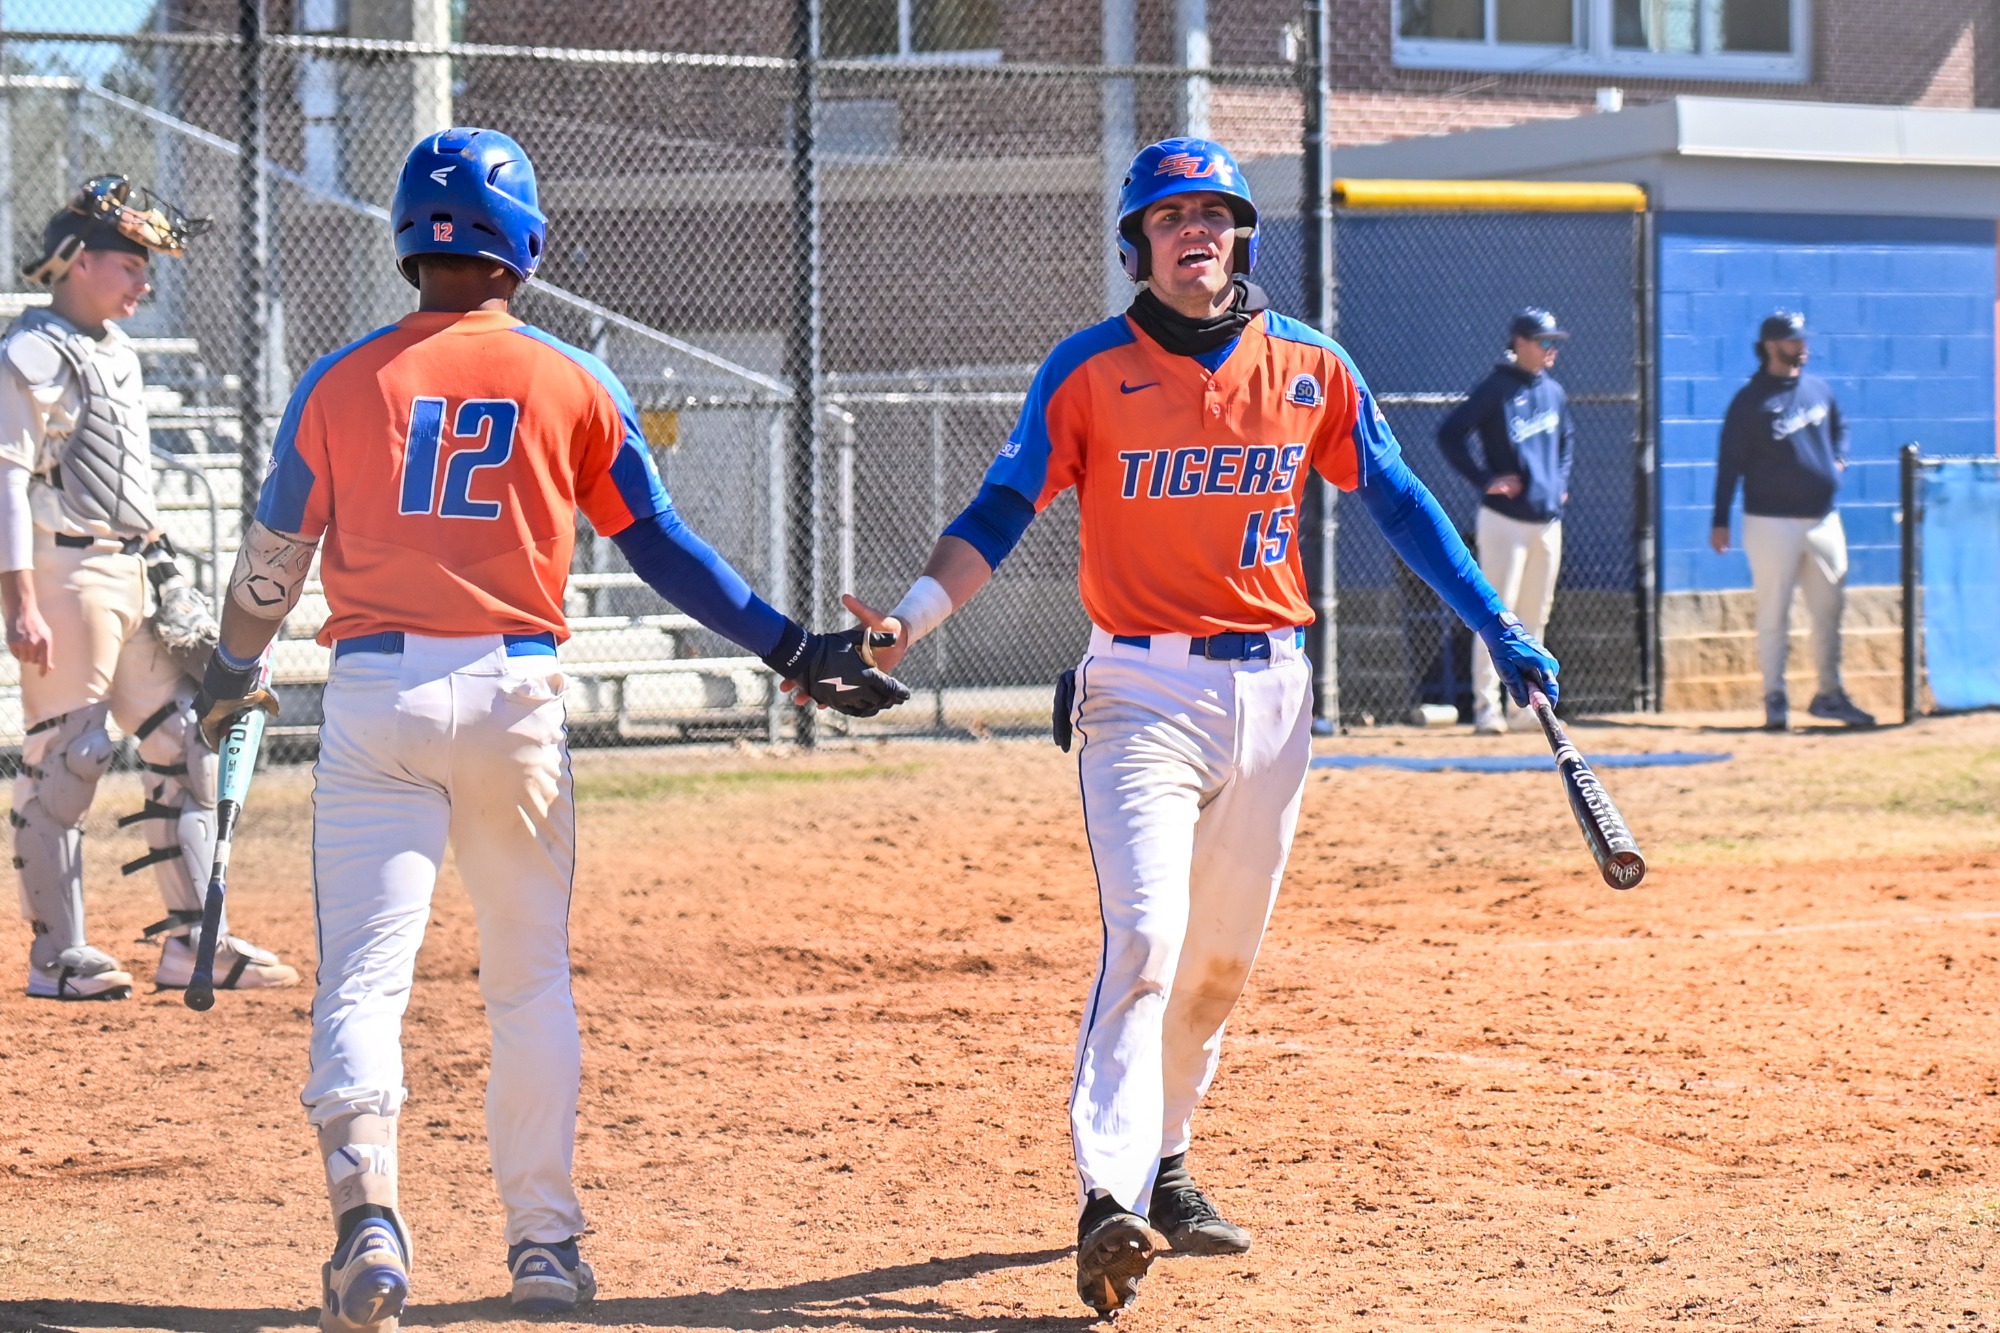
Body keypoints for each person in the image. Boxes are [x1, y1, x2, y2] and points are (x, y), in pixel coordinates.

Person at [192, 128, 908, 1331]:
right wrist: (791, 647)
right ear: (521, 244)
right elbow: (661, 548)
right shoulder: (573, 377)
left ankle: (368, 1224)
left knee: (365, 980)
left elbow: (271, 568)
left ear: (409, 240)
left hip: (377, 697)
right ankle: (542, 1245)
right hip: (516, 696)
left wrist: (228, 670)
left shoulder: (337, 379)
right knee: (528, 986)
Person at [835, 137, 1558, 1317]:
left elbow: (1396, 496)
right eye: (1169, 218)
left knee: (1217, 966)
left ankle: (1166, 1167)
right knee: (1146, 942)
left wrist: (1493, 622)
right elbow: (1003, 504)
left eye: (1214, 215)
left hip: (1274, 695)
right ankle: (1104, 1195)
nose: (1195, 233)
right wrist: (912, 617)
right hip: (1140, 695)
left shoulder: (1309, 366)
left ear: (1240, 236)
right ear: (1135, 244)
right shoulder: (1085, 371)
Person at [1, 176, 298, 1000]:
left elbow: (125, 484)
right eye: (130, 266)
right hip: (67, 573)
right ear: (79, 261)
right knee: (71, 755)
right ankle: (57, 956)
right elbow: (7, 479)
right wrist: (18, 598)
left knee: (185, 744)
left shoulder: (116, 351)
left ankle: (194, 943)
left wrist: (163, 567)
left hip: (133, 569)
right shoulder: (31, 351)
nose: (144, 282)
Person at [1710, 310, 1875, 731]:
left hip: (1821, 517)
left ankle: (1829, 694)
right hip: (1769, 521)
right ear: (1771, 345)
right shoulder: (1751, 401)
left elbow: (1841, 426)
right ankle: (1775, 696)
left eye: (1803, 340)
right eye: (1793, 340)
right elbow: (1729, 464)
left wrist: (1838, 458)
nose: (1802, 347)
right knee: (1774, 611)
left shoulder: (1817, 389)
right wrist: (1719, 519)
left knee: (1829, 608)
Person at [1437, 307, 1576, 734]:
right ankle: (1487, 709)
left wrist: (1560, 482)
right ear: (1519, 343)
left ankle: (1526, 710)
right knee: (1496, 617)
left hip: (1546, 521)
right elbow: (1450, 433)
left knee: (1536, 616)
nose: (1552, 350)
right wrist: (1484, 479)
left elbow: (1567, 441)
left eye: (1555, 342)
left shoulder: (1553, 391)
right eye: (1544, 342)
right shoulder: (1496, 388)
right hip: (1504, 523)